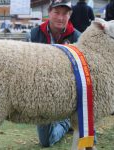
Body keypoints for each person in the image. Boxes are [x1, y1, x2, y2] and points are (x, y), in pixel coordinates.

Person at [30, 0, 81, 147]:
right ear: (49, 12)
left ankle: (66, 120)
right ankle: (66, 126)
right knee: (45, 142)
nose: (60, 17)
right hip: (42, 97)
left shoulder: (77, 38)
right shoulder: (34, 35)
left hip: (68, 99)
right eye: (56, 12)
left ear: (69, 16)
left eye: (65, 13)